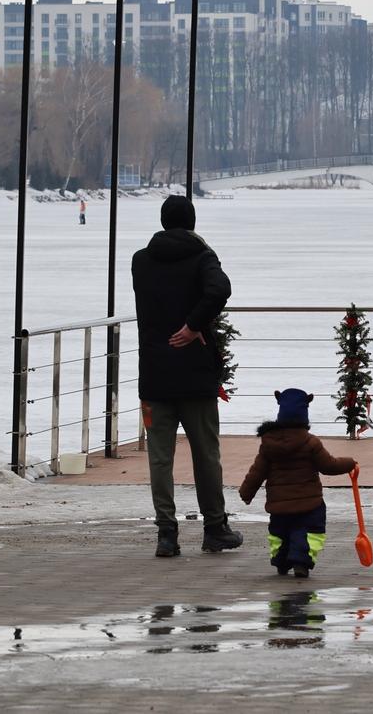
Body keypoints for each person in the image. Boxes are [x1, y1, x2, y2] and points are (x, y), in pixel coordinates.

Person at [132, 194, 242, 557]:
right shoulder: (202, 258)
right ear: (192, 222)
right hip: (194, 373)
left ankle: (166, 533)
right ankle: (214, 527)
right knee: (205, 453)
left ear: (163, 222)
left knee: (160, 457)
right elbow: (220, 289)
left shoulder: (141, 262)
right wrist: (194, 326)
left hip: (154, 374)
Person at [238, 389, 357, 578]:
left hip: (279, 504)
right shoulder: (311, 442)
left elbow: (257, 471)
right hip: (309, 504)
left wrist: (246, 492)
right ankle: (301, 562)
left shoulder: (268, 444)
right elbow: (329, 465)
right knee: (308, 531)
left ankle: (281, 562)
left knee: (279, 533)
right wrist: (350, 463)